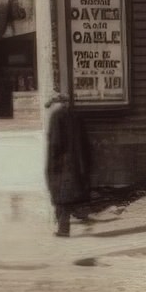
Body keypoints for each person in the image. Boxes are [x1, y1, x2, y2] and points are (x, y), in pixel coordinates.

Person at [44, 88, 92, 237]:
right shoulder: (76, 115)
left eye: (51, 104)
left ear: (57, 103)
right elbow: (85, 141)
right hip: (77, 161)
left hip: (61, 162)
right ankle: (80, 214)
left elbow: (55, 143)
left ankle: (63, 229)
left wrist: (52, 163)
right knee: (72, 192)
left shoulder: (56, 116)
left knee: (61, 196)